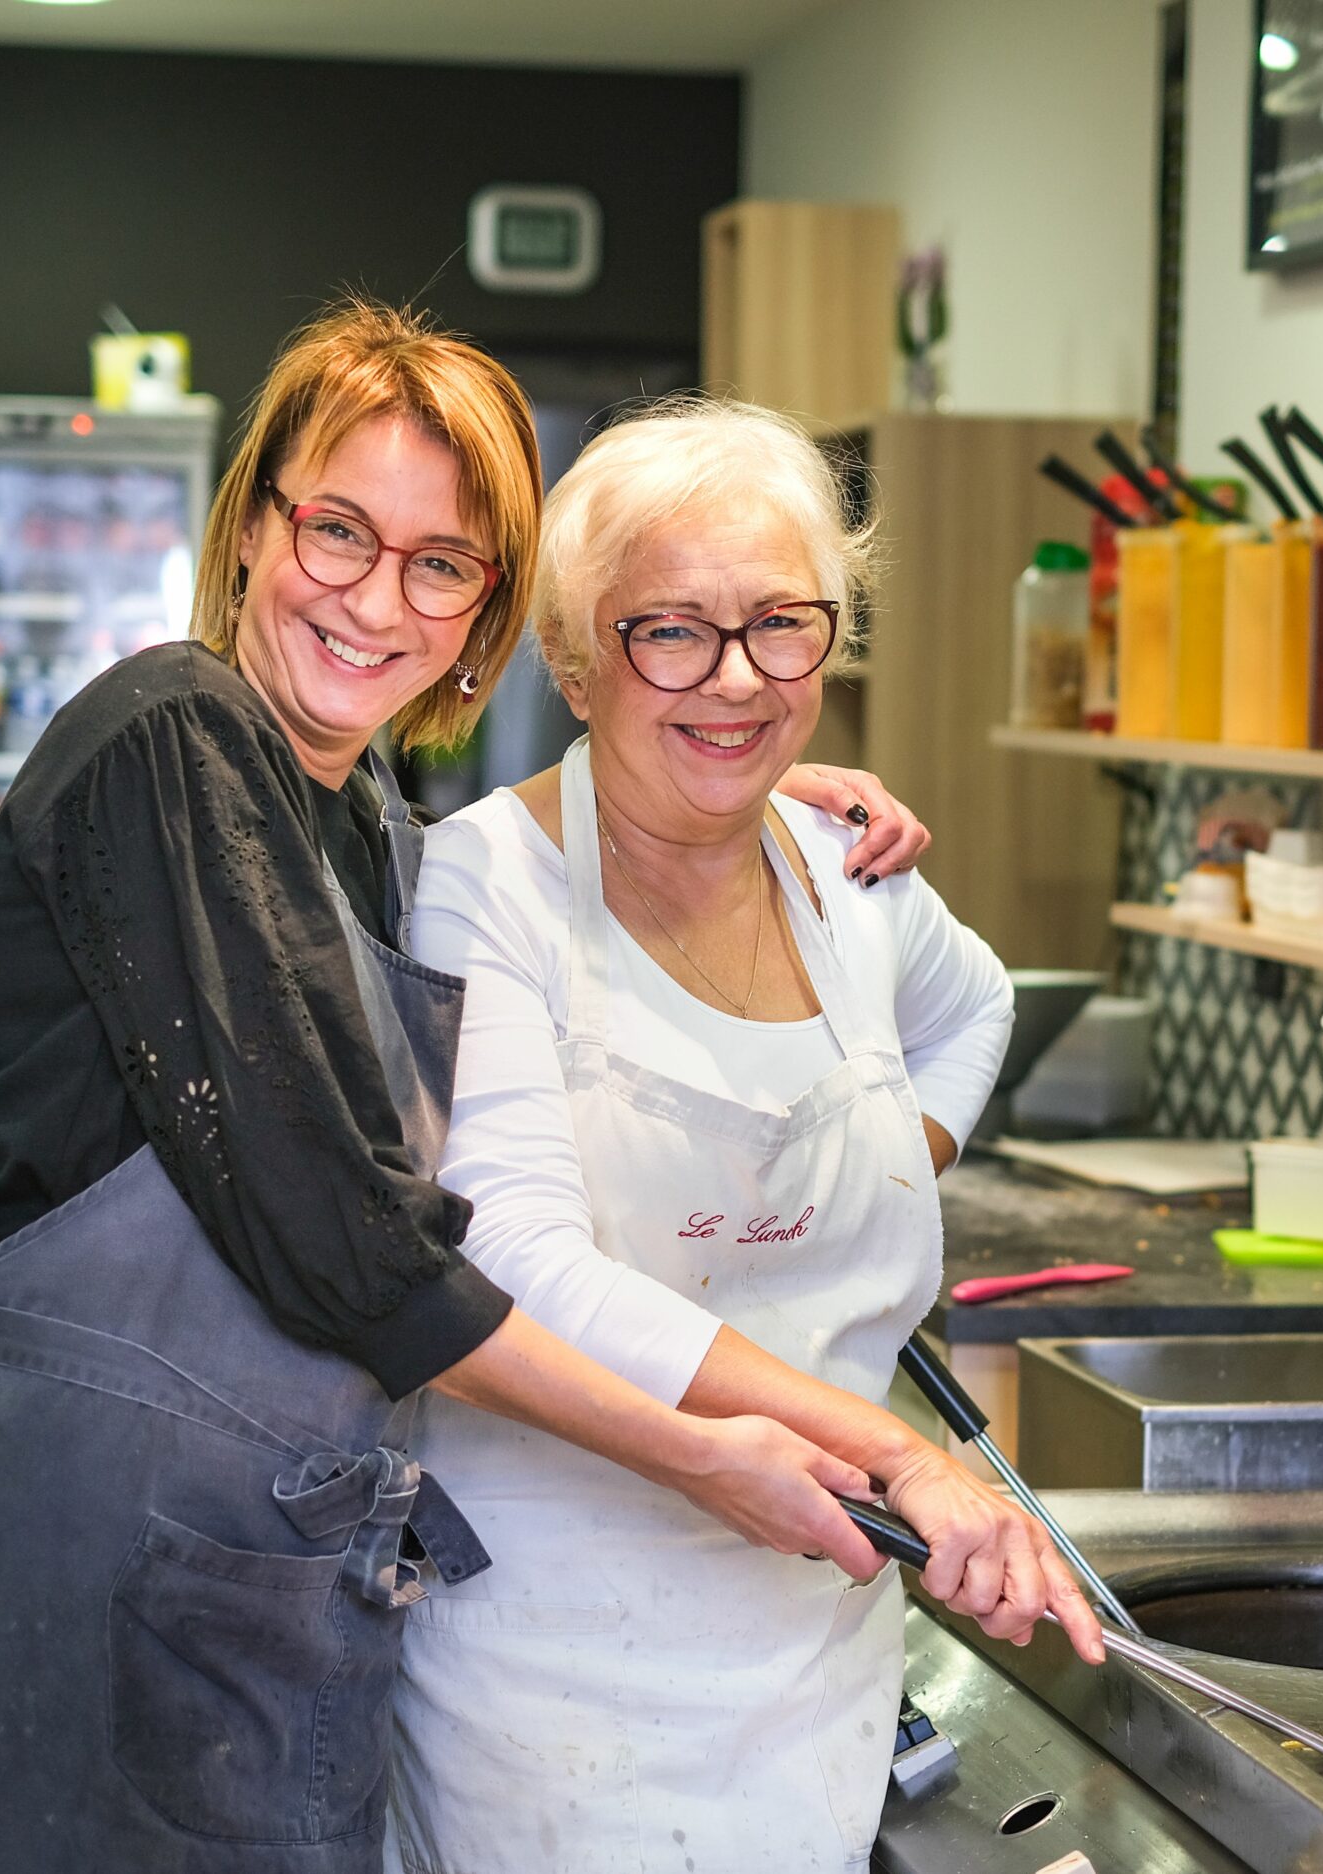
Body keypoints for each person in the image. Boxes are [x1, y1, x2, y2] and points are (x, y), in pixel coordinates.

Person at [0, 301, 986, 1873]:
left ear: (487, 606)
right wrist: (704, 1451)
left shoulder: (357, 816)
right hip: (63, 1575)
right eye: (341, 532)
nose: (380, 600)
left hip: (227, 1586)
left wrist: (745, 790)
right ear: (249, 526)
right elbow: (354, 1250)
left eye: (442, 564)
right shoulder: (170, 738)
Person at [383, 398, 1108, 1874]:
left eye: (785, 623)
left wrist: (889, 1150)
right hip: (555, 1671)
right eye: (673, 631)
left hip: (813, 1647)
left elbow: (976, 1015)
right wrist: (900, 1454)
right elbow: (512, 1256)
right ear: (579, 659)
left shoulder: (856, 879)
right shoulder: (482, 890)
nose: (737, 679)